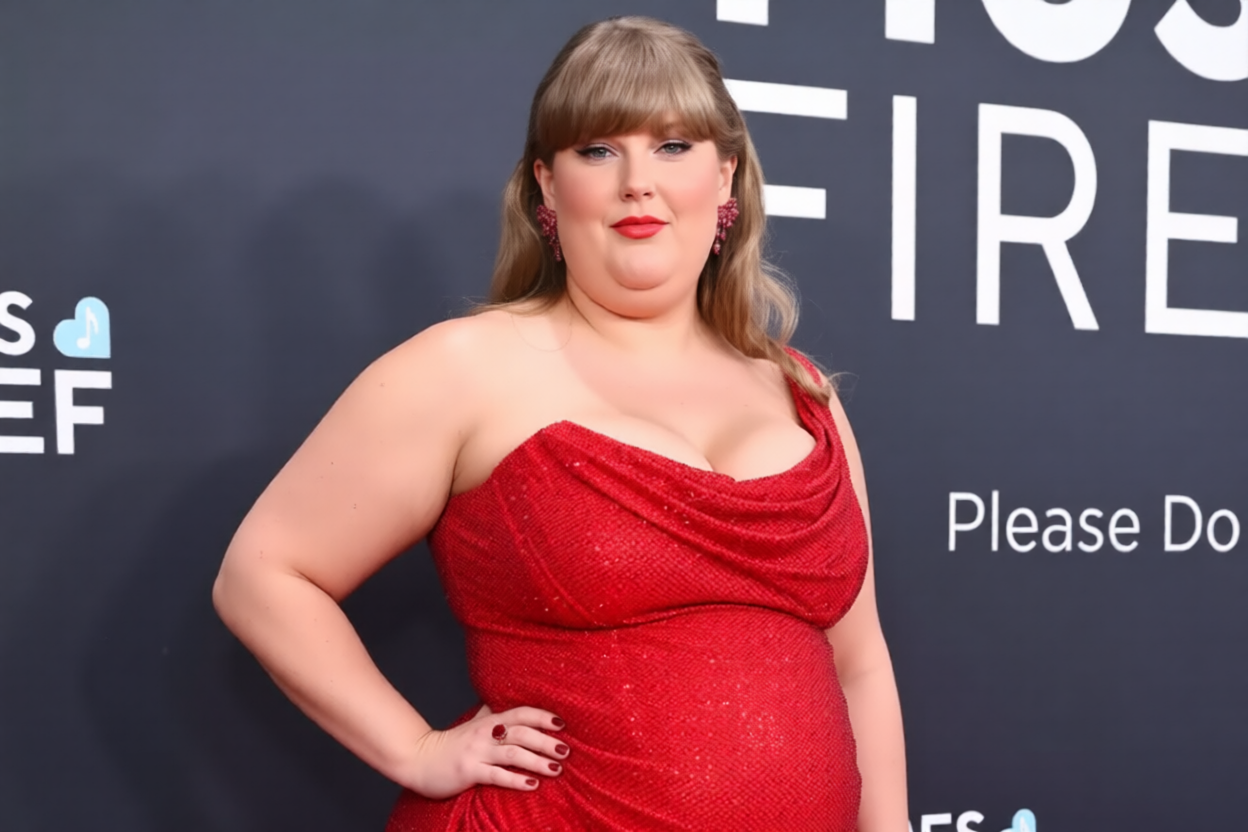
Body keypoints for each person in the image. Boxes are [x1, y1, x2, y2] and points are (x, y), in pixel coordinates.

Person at [213, 15, 906, 832]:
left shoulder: (803, 395)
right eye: (598, 149)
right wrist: (418, 749)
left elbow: (858, 664)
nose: (637, 182)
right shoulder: (467, 367)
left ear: (727, 178)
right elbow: (262, 574)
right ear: (547, 185)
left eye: (673, 146)